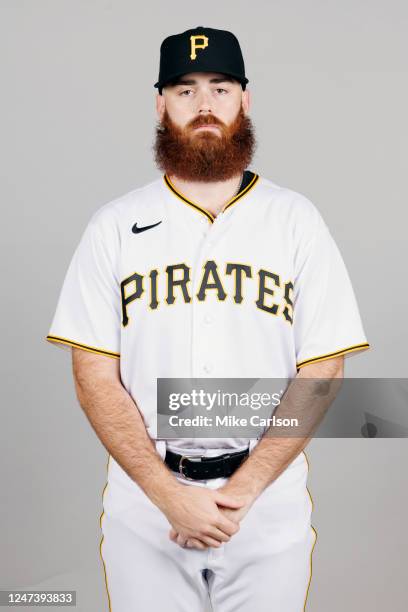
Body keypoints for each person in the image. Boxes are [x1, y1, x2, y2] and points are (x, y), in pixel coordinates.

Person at [46, 26, 370, 612]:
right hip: (146, 504)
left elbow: (323, 368)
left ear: (245, 101)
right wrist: (167, 495)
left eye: (220, 88)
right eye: (185, 89)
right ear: (160, 104)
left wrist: (243, 489)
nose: (203, 106)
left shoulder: (296, 220)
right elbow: (94, 374)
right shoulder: (115, 225)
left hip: (267, 499)